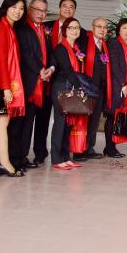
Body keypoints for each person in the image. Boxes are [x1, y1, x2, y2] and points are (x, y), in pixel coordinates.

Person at [0, 0, 27, 178]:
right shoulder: (1, 27)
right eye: (14, 7)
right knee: (3, 121)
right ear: (6, 7)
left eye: (21, 8)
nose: (18, 11)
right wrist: (6, 87)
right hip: (1, 84)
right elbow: (1, 60)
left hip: (0, 83)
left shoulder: (8, 27)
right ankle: (5, 162)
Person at [14, 0, 53, 169]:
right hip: (26, 83)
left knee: (29, 123)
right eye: (37, 9)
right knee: (20, 124)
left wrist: (51, 68)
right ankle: (15, 157)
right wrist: (40, 70)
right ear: (29, 9)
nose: (41, 13)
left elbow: (51, 53)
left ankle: (22, 157)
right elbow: (26, 53)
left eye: (44, 11)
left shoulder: (45, 30)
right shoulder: (22, 28)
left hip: (42, 83)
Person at [50, 17, 85, 170]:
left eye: (77, 27)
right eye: (71, 27)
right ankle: (56, 158)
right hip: (62, 88)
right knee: (60, 123)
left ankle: (65, 157)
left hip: (72, 87)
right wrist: (81, 87)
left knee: (68, 124)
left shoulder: (76, 48)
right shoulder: (61, 48)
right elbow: (68, 70)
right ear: (65, 30)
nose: (75, 30)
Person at [80, 18, 112, 160]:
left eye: (105, 27)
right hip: (87, 88)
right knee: (83, 119)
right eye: (99, 26)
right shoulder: (85, 42)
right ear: (92, 27)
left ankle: (89, 147)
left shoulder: (105, 45)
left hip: (101, 89)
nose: (102, 30)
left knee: (94, 120)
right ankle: (79, 149)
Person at [107, 18, 127, 158]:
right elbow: (114, 66)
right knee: (112, 116)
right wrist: (123, 85)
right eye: (124, 28)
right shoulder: (114, 43)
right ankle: (109, 147)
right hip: (117, 87)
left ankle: (113, 146)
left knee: (120, 116)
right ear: (119, 30)